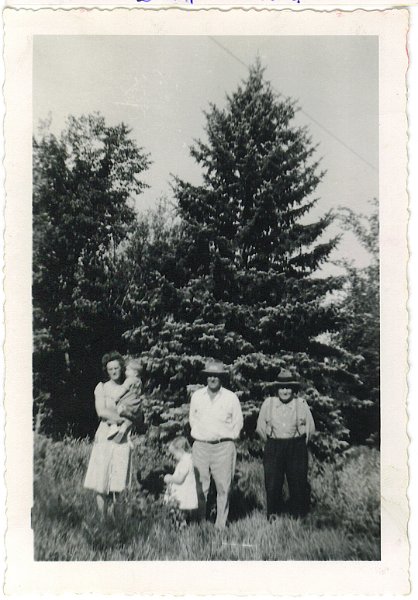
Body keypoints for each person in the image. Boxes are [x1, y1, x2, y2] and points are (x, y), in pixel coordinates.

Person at [189, 360, 243, 529]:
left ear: (222, 378)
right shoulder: (197, 396)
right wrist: (202, 436)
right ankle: (200, 522)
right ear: (206, 377)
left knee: (223, 487)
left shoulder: (230, 397)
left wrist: (228, 438)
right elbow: (193, 419)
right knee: (199, 486)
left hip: (223, 447)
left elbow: (238, 422)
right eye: (210, 375)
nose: (213, 379)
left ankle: (220, 525)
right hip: (201, 446)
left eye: (216, 376)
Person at [256, 368, 315, 520]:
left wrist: (299, 444)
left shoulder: (300, 404)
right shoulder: (268, 404)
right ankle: (273, 515)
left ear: (293, 389)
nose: (285, 391)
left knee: (297, 481)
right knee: (273, 482)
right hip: (274, 446)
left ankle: (298, 516)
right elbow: (260, 428)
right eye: (282, 387)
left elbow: (310, 429)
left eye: (288, 387)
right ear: (277, 389)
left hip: (296, 446)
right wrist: (271, 443)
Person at [84, 352, 132, 518]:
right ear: (106, 370)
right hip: (105, 435)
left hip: (122, 437)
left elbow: (137, 412)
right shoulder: (102, 387)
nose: (113, 371)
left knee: (118, 478)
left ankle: (115, 518)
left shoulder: (129, 386)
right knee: (102, 477)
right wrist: (123, 418)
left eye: (116, 368)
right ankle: (102, 519)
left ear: (121, 368)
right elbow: (102, 412)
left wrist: (130, 420)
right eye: (110, 369)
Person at [107, 358, 144, 443]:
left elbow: (123, 390)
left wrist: (116, 397)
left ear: (135, 372)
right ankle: (123, 432)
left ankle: (113, 428)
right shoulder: (139, 382)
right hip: (135, 406)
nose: (125, 372)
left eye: (128, 370)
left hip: (126, 404)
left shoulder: (129, 380)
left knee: (115, 412)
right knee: (129, 420)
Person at [163, 437, 198, 518]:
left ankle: (179, 523)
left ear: (181, 450)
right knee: (181, 510)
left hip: (183, 491)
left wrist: (169, 478)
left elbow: (180, 480)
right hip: (185, 489)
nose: (174, 457)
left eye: (174, 454)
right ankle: (182, 522)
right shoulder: (189, 459)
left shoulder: (185, 462)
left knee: (179, 508)